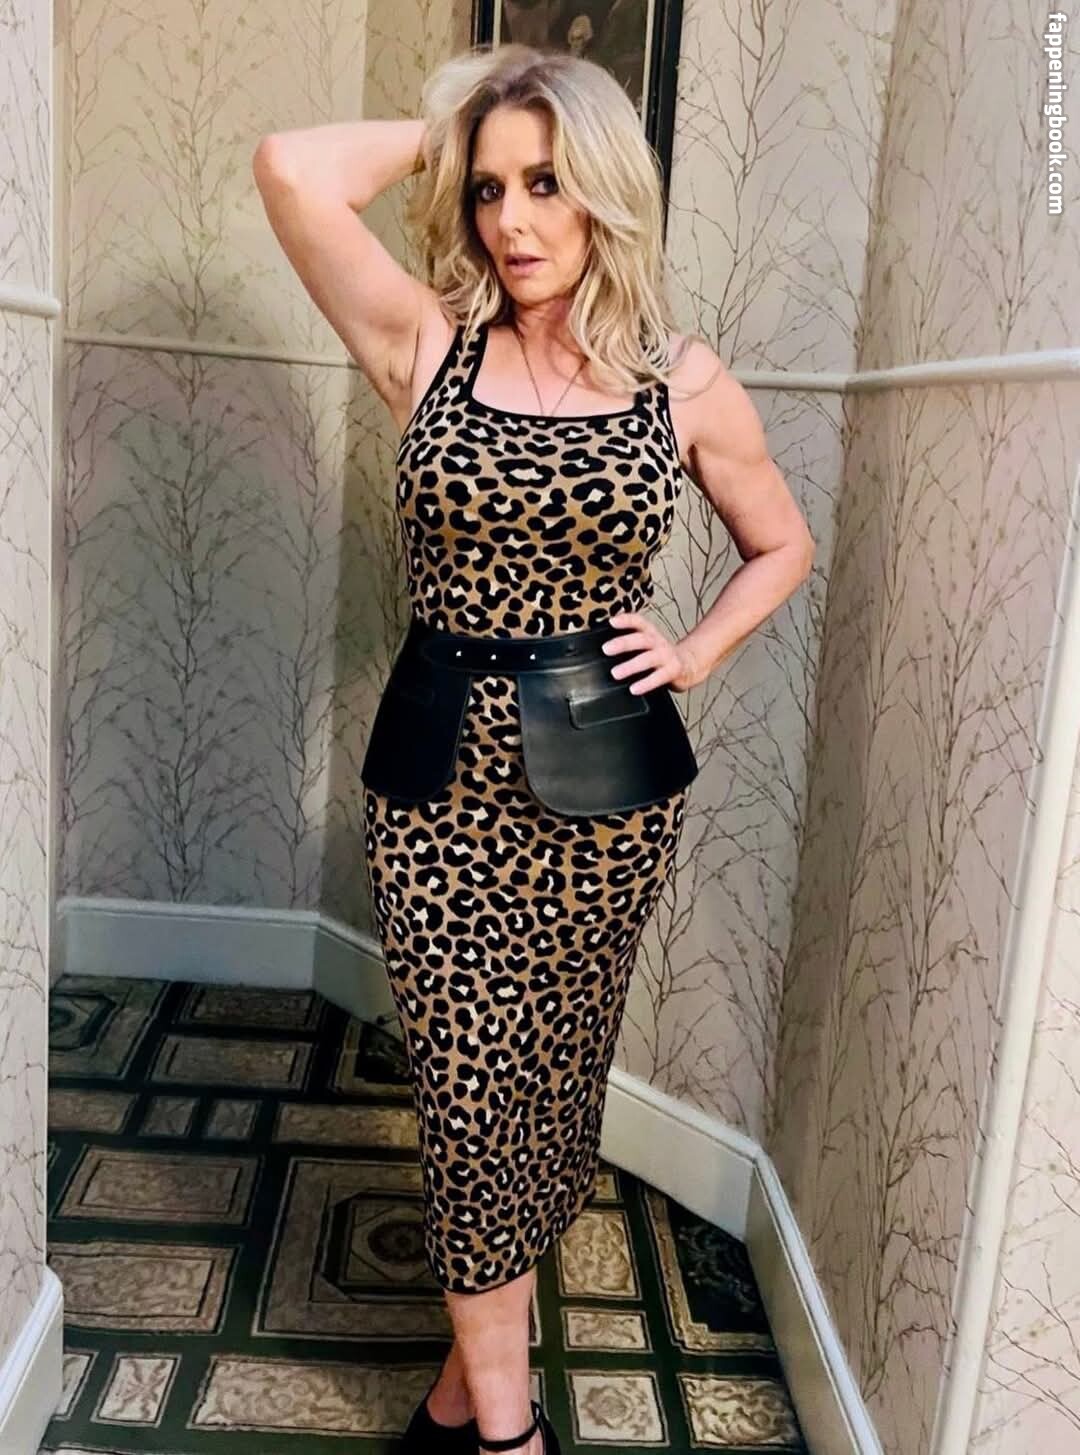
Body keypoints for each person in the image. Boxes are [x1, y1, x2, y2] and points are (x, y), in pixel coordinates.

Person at [252, 42, 813, 1455]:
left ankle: (457, 1396)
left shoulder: (679, 381)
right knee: (466, 1095)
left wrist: (694, 652)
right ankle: (509, 1434)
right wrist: (463, 109)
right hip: (438, 789)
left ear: (606, 191)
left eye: (547, 181)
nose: (511, 217)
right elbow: (291, 170)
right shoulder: (426, 344)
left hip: (609, 799)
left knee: (547, 1094)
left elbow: (782, 543)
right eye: (489, 187)